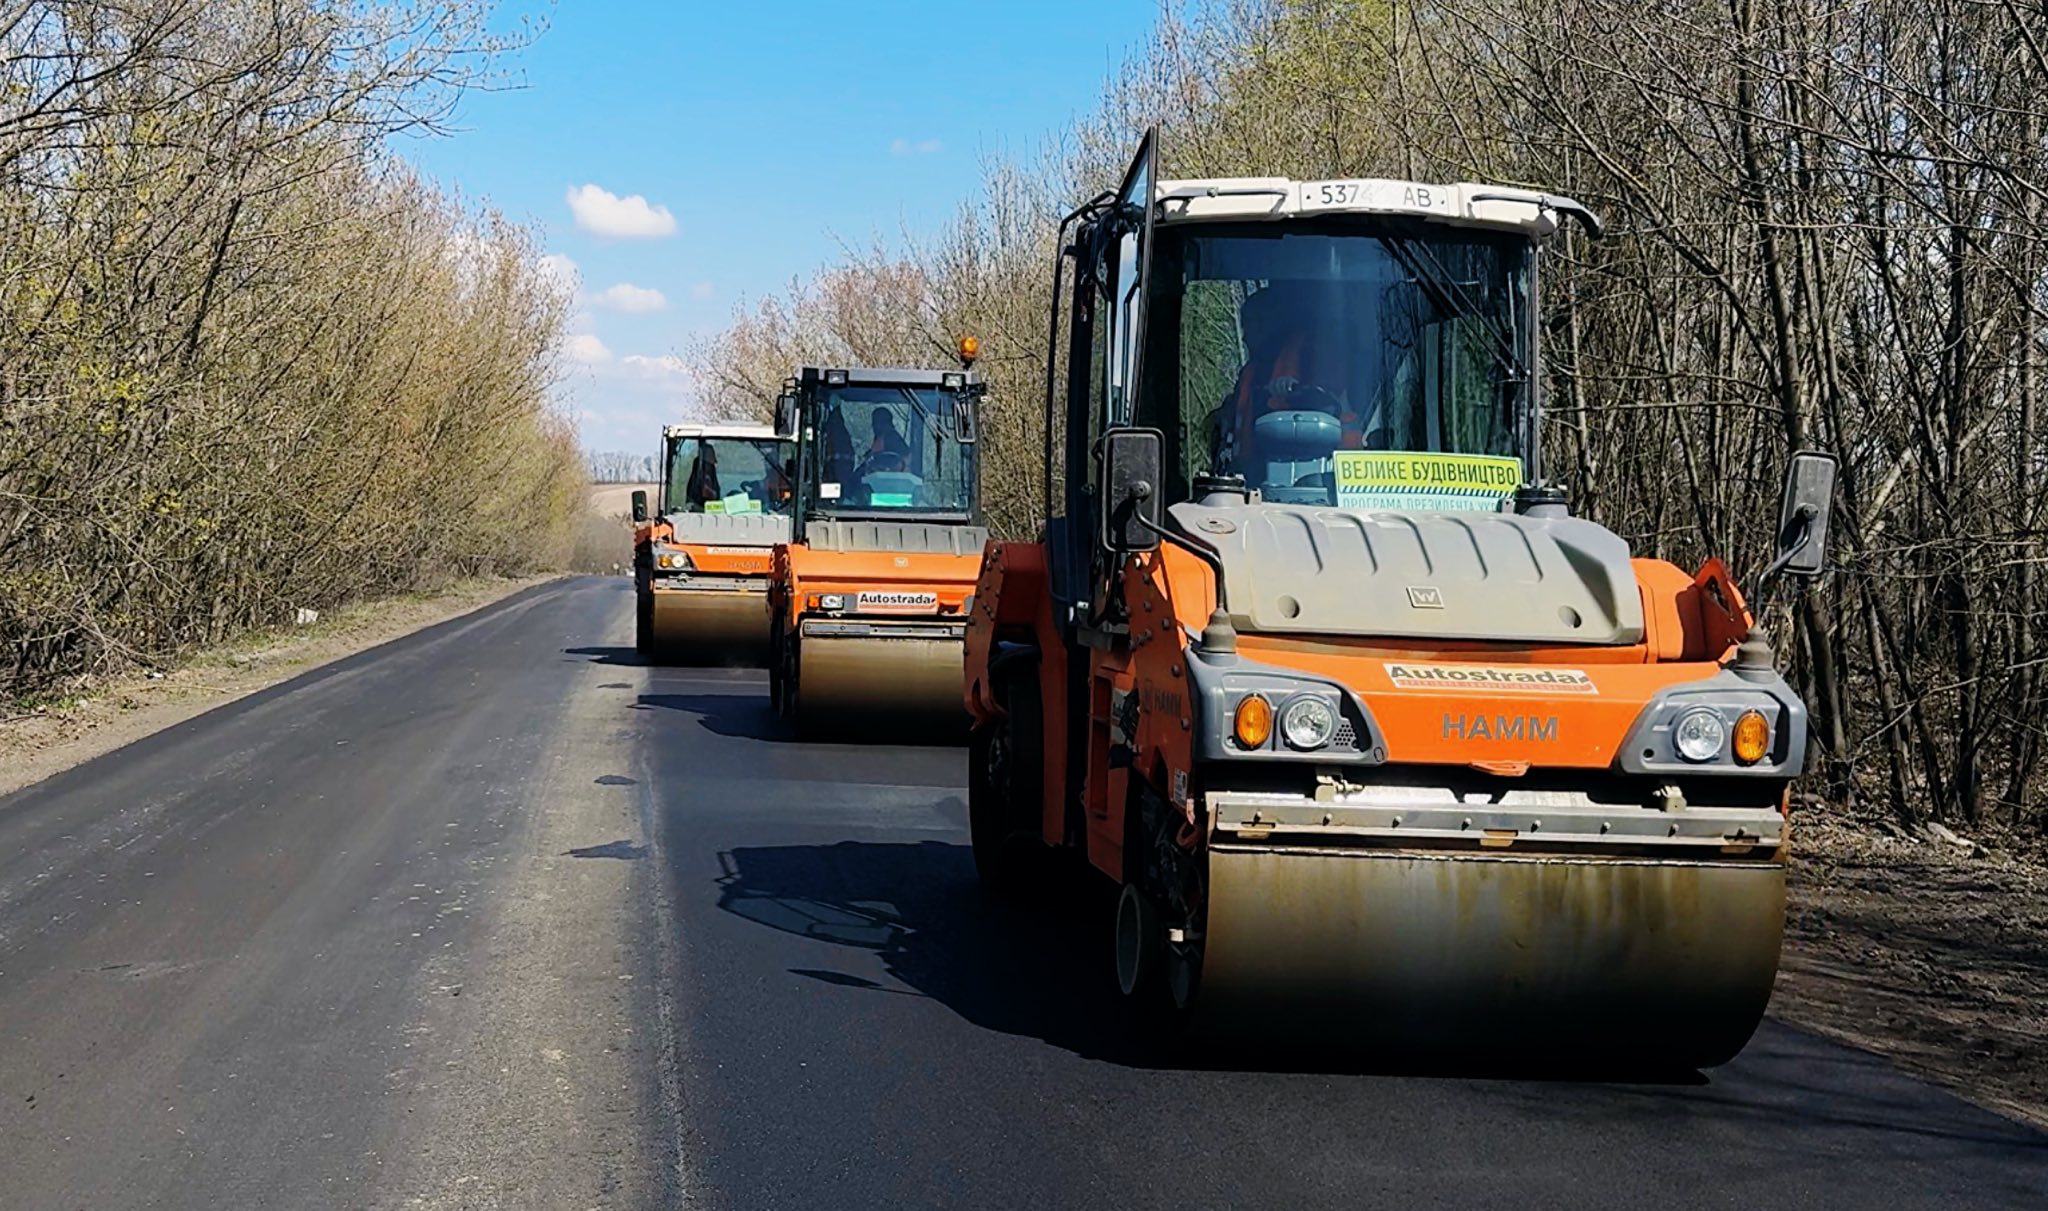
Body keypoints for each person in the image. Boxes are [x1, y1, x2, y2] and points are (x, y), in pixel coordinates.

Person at [1217, 282, 1366, 474]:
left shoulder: (1311, 358)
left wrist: (1299, 396)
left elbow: (1331, 408)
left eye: (1251, 324)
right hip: (1245, 479)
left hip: (1312, 474)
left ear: (1270, 322)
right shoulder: (1251, 373)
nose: (1245, 337)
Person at [856, 410, 910, 477]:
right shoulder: (880, 436)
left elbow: (902, 461)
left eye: (877, 423)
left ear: (886, 423)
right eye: (874, 423)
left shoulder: (892, 438)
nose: (874, 426)